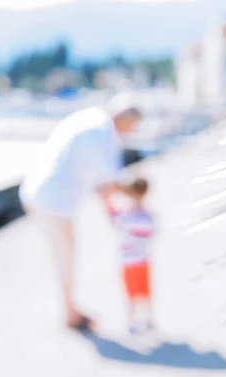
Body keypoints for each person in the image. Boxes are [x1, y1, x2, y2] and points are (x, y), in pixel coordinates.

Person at [20, 94, 143, 330]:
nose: (130, 133)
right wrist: (134, 205)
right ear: (126, 119)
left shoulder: (89, 118)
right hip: (54, 201)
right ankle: (70, 314)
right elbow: (109, 184)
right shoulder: (103, 132)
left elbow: (99, 182)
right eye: (132, 127)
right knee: (66, 257)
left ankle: (71, 310)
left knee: (62, 255)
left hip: (35, 192)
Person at [106, 178, 156, 334]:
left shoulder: (129, 217)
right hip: (140, 260)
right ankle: (144, 320)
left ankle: (137, 321)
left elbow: (115, 220)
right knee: (142, 293)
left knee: (134, 294)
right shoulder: (146, 216)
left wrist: (107, 199)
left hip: (132, 262)